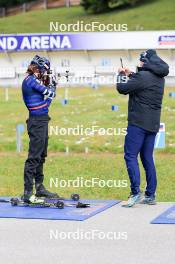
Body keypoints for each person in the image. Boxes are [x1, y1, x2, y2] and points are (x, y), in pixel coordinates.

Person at [116, 49, 169, 207]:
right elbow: (142, 81)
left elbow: (122, 88)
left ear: (145, 62)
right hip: (152, 125)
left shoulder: (143, 76)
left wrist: (121, 74)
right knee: (147, 158)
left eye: (141, 61)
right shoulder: (159, 77)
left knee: (130, 156)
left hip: (137, 123)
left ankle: (135, 193)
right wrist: (131, 73)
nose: (139, 63)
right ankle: (150, 195)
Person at [22, 55, 58, 203]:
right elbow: (51, 95)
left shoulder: (34, 80)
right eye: (44, 70)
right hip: (36, 122)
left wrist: (51, 86)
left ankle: (40, 188)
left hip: (42, 120)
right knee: (34, 157)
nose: (45, 73)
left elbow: (45, 106)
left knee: (41, 155)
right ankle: (28, 193)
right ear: (39, 68)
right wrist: (53, 86)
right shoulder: (30, 81)